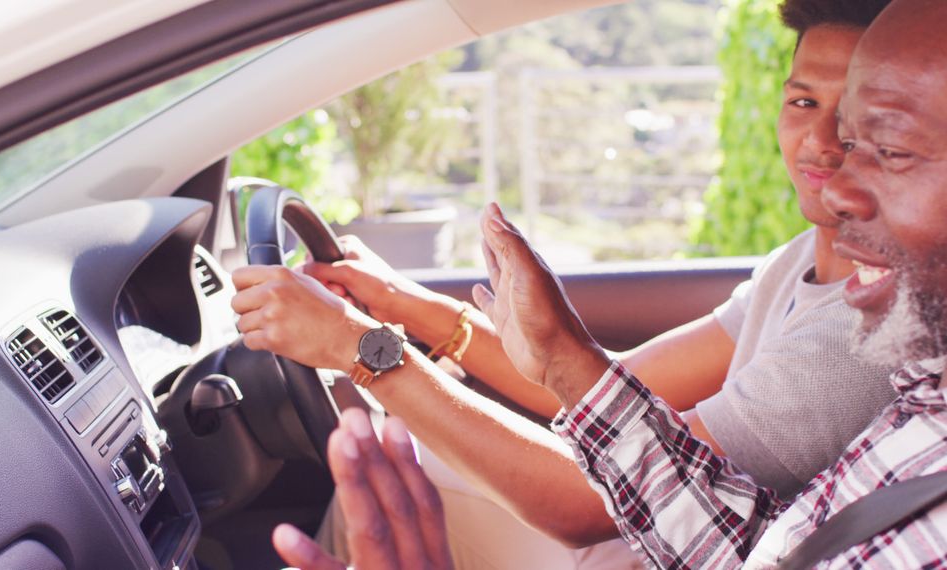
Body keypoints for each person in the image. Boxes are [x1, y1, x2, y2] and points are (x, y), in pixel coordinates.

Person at [268, 0, 947, 564]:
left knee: (403, 468)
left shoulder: (863, 349)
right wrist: (402, 307)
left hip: (626, 543)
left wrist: (365, 352)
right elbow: (622, 395)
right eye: (804, 102)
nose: (830, 154)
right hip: (664, 536)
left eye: (882, 146)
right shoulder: (815, 278)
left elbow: (584, 501)